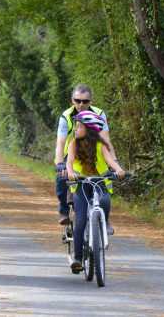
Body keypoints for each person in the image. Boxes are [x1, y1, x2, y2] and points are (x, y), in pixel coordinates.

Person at [65, 111, 125, 273]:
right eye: (75, 126)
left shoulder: (100, 145)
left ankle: (104, 221)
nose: (75, 130)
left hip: (98, 181)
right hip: (81, 183)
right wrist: (71, 173)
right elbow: (69, 161)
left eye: (79, 126)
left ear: (89, 129)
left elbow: (110, 161)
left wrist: (119, 170)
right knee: (80, 221)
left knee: (105, 201)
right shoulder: (74, 143)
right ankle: (78, 258)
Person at [54, 84, 118, 225]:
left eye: (85, 101)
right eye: (77, 100)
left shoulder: (99, 114)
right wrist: (60, 163)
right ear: (72, 100)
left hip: (93, 150)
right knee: (62, 178)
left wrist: (114, 160)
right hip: (70, 152)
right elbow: (60, 143)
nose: (81, 104)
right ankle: (64, 210)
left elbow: (106, 139)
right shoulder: (66, 116)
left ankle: (100, 213)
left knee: (103, 175)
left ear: (91, 101)